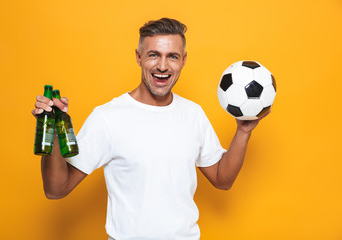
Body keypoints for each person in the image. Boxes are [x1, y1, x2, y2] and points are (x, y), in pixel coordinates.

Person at [32, 18, 268, 240]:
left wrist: (243, 131)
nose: (163, 66)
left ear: (183, 60)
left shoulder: (193, 114)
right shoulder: (108, 117)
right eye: (154, 55)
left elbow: (222, 179)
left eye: (172, 56)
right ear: (138, 57)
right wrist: (50, 130)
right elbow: (56, 189)